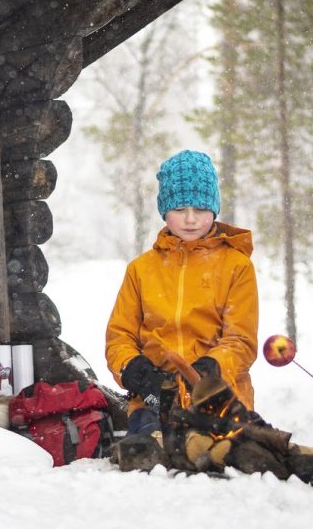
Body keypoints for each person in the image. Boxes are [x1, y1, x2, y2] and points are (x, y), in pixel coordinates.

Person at [104, 150, 259, 448]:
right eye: (180, 208)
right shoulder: (141, 269)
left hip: (219, 399)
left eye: (200, 208)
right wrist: (135, 370)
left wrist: (208, 370)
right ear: (164, 210)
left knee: (213, 455)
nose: (190, 219)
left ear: (213, 207)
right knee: (150, 451)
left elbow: (241, 340)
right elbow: (119, 337)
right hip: (153, 403)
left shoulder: (236, 266)